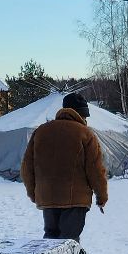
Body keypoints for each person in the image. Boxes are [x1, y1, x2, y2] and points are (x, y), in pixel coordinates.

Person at [20, 92, 108, 241]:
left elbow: (27, 167)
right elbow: (95, 170)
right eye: (85, 116)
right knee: (68, 243)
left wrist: (34, 193)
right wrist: (102, 196)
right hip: (76, 200)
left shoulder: (40, 132)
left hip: (47, 197)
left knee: (50, 240)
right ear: (80, 115)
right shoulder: (85, 134)